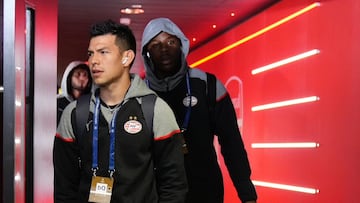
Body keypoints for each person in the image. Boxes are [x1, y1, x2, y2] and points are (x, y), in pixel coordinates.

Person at [53, 19, 187, 203]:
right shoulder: (75, 113)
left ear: (127, 57)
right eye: (91, 53)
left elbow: (174, 185)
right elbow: (64, 188)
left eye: (103, 52)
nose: (94, 61)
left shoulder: (155, 110)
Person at [141, 17, 257, 203]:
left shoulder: (208, 85)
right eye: (155, 45)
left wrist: (247, 193)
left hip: (204, 190)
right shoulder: (138, 94)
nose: (164, 49)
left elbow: (232, 142)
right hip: (155, 194)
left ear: (181, 45)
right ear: (146, 52)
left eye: (171, 42)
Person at [57, 61, 93, 125]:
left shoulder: (92, 105)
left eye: (85, 75)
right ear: (69, 78)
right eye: (78, 74)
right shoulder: (56, 102)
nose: (82, 78)